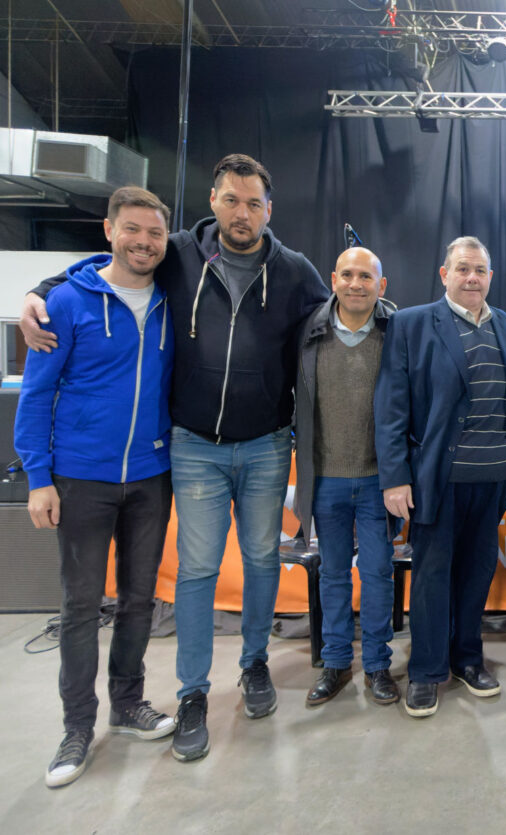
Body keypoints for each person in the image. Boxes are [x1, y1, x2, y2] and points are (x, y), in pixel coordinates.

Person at [21, 154, 329, 762]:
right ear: (212, 201)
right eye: (232, 200)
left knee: (264, 559)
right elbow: (108, 267)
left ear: (270, 210)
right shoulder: (179, 253)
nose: (243, 213)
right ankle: (191, 692)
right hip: (191, 447)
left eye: (254, 203)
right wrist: (44, 289)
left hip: (268, 444)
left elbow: (343, 311)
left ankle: (255, 664)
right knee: (196, 571)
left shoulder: (293, 270)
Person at [15, 187, 176, 787]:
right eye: (132, 230)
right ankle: (77, 727)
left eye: (155, 234)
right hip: (81, 478)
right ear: (108, 231)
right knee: (81, 606)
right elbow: (35, 395)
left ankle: (129, 705)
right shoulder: (69, 302)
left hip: (151, 477)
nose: (144, 242)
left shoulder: (169, 299)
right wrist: (38, 478)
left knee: (139, 600)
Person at [375, 236, 506, 718]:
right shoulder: (411, 324)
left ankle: (467, 658)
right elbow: (392, 406)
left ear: (490, 277)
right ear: (445, 274)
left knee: (478, 572)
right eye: (463, 269)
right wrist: (396, 477)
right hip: (437, 479)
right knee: (433, 577)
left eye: (480, 270)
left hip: (496, 479)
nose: (472, 278)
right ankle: (425, 671)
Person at [293, 247, 401, 708]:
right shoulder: (307, 332)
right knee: (333, 575)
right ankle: (336, 663)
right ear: (334, 279)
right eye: (349, 275)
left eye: (367, 276)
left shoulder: (398, 333)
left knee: (378, 575)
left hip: (380, 480)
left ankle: (377, 665)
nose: (357, 284)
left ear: (382, 285)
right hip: (326, 480)